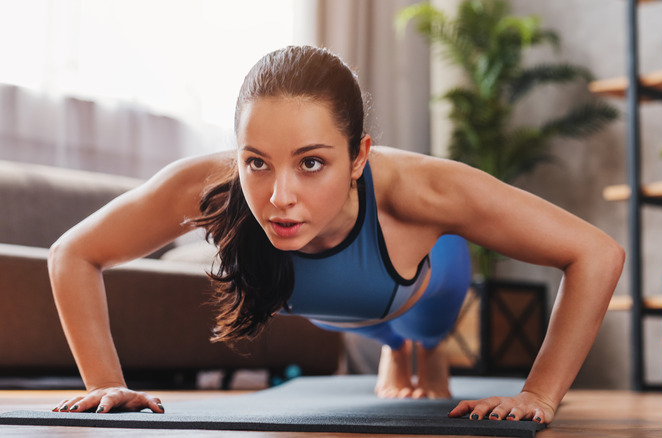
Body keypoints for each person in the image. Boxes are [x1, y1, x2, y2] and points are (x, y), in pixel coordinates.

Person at [48, 45, 624, 424]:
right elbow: (73, 252)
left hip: (425, 279)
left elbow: (595, 252)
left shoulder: (424, 190)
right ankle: (396, 350)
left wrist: (539, 394)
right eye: (257, 162)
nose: (279, 196)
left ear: (357, 158)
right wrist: (104, 383)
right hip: (337, 304)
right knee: (372, 326)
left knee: (424, 326)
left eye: (312, 163)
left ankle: (419, 346)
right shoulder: (207, 186)